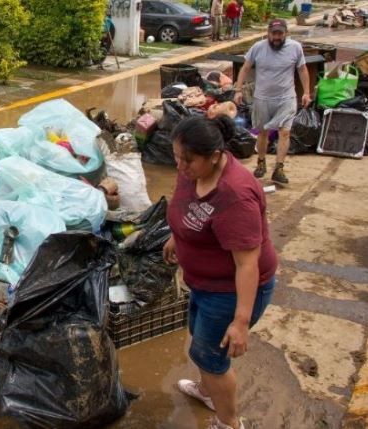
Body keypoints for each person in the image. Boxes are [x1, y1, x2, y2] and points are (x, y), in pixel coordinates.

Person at [164, 115, 277, 429]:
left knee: (212, 357)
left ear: (215, 156)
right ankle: (208, 391)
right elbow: (187, 206)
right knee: (200, 342)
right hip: (203, 283)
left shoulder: (235, 196)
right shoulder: (192, 170)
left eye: (188, 160)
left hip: (230, 291)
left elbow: (246, 264)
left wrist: (241, 321)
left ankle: (228, 423)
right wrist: (179, 235)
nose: (180, 166)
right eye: (177, 157)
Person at [233, 19, 311, 184]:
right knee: (263, 133)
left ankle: (279, 168)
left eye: (280, 33)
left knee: (285, 132)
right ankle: (261, 162)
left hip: (286, 98)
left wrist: (306, 92)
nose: (276, 37)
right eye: (273, 33)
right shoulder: (258, 47)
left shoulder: (295, 48)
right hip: (262, 98)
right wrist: (238, 90)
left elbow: (302, 69)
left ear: (286, 33)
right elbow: (245, 68)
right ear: (268, 33)